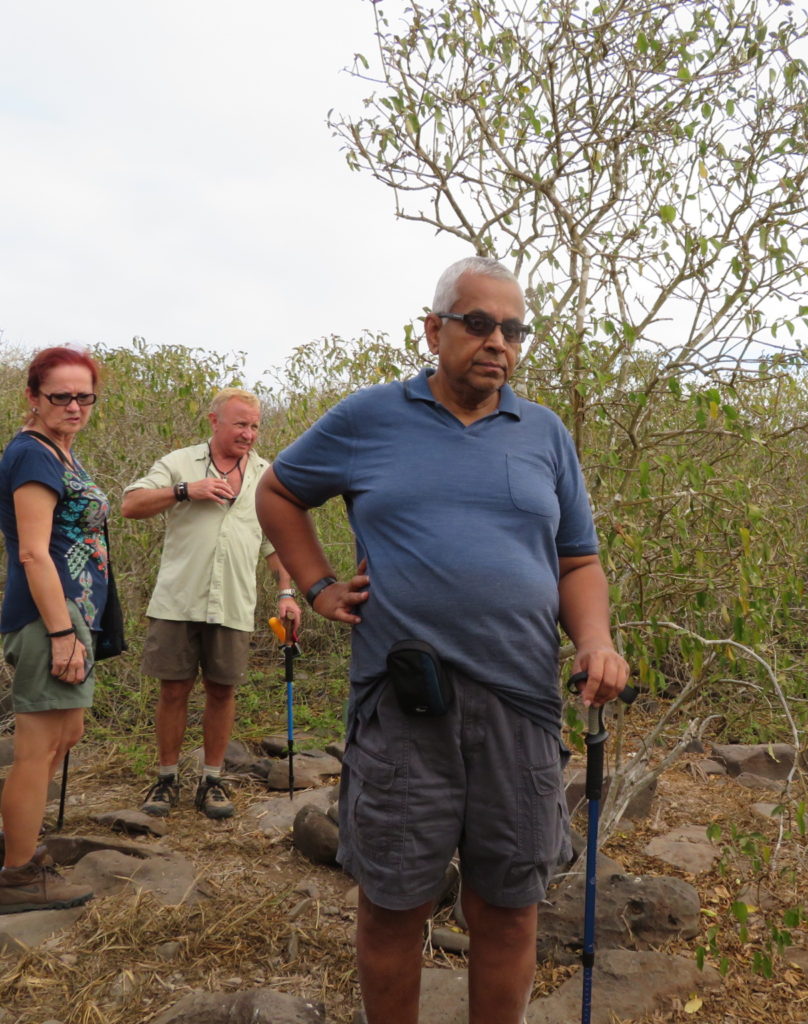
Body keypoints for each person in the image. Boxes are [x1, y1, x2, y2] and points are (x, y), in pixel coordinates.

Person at [255, 256, 630, 1024]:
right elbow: (279, 491)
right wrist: (320, 586)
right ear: (434, 329)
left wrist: (595, 637)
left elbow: (578, 559)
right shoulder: (368, 418)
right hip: (403, 705)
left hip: (519, 704)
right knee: (393, 905)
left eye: (514, 329)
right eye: (480, 323)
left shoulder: (544, 434)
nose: (499, 341)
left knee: (508, 907)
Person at [123, 388, 301, 820]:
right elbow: (130, 504)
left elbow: (275, 545)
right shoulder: (179, 462)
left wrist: (286, 592)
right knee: (173, 690)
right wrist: (186, 490)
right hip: (177, 600)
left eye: (255, 426)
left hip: (234, 602)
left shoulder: (266, 474)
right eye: (240, 424)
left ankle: (212, 780)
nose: (249, 434)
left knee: (223, 691)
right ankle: (166, 779)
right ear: (214, 421)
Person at [0, 346, 109, 913]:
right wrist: (63, 633)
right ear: (34, 398)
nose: (73, 405)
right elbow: (34, 554)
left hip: (71, 616)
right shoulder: (33, 456)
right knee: (37, 748)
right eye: (60, 396)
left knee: (65, 738)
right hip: (50, 618)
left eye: (83, 396)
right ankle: (16, 875)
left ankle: (18, 846)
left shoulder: (61, 454)